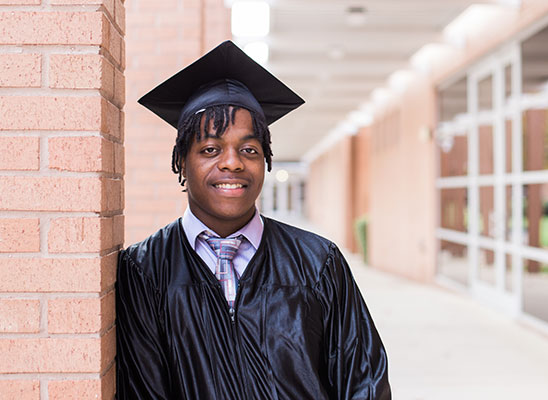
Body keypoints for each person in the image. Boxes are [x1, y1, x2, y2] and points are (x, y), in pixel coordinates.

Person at [116, 41, 391, 399]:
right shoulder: (145, 270)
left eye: (249, 150)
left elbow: (363, 381)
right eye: (210, 149)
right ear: (182, 161)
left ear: (265, 161)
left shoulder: (318, 262)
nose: (232, 162)